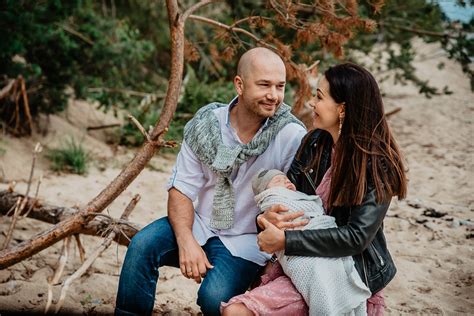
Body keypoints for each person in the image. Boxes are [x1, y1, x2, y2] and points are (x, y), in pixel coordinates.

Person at [114, 47, 307, 316]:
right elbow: (181, 188)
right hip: (200, 223)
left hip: (248, 240)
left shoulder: (292, 135)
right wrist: (187, 241)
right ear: (239, 84)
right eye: (264, 85)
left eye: (280, 86)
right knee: (142, 246)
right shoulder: (206, 126)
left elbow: (297, 201)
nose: (273, 95)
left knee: (213, 298)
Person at [221, 63, 407, 316]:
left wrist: (286, 240)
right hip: (302, 259)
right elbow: (289, 198)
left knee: (237, 312)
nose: (311, 103)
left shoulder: (376, 163)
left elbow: (356, 237)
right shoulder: (314, 143)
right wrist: (266, 219)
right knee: (233, 309)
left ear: (342, 108)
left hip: (349, 270)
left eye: (319, 97)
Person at [231, 168, 371, 315]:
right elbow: (277, 211)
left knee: (329, 280)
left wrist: (287, 239)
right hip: (301, 254)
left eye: (286, 179)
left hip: (346, 254)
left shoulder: (370, 166)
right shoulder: (311, 147)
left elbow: (357, 236)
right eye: (278, 181)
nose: (286, 181)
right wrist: (262, 220)